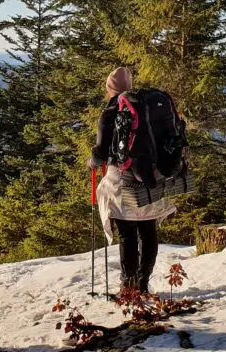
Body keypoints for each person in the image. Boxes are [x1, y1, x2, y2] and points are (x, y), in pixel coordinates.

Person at [86, 67, 175, 294]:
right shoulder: (146, 107)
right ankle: (143, 283)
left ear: (111, 89)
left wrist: (92, 163)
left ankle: (129, 287)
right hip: (152, 176)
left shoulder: (112, 112)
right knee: (148, 229)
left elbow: (100, 152)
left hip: (124, 179)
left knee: (127, 232)